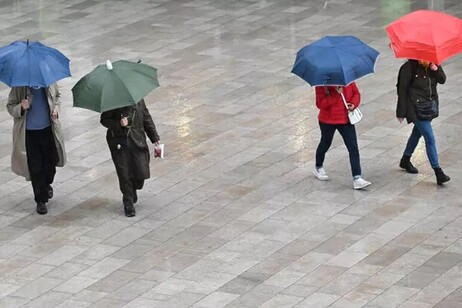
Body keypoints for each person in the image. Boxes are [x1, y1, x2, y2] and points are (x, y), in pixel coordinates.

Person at [6, 83, 66, 214]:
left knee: (51, 163)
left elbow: (58, 97)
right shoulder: (19, 87)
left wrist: (56, 108)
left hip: (48, 130)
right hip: (29, 134)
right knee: (36, 168)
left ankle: (46, 183)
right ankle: (40, 200)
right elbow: (10, 107)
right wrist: (21, 107)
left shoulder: (49, 83)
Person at [100, 99, 160, 217]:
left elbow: (146, 118)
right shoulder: (113, 101)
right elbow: (104, 120)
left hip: (137, 140)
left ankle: (134, 188)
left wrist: (155, 137)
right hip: (119, 143)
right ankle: (128, 202)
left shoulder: (139, 100)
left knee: (141, 172)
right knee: (124, 172)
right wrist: (119, 124)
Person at [396, 59, 450, 185]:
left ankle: (405, 159)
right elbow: (402, 90)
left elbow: (442, 80)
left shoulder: (433, 63)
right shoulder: (409, 67)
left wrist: (436, 69)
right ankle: (438, 172)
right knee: (429, 137)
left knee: (417, 133)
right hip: (414, 108)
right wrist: (401, 112)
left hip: (429, 107)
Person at [313, 82, 371, 190]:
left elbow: (356, 93)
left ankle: (357, 177)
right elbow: (320, 104)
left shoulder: (347, 81)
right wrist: (335, 94)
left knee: (353, 147)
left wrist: (353, 104)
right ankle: (318, 166)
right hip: (328, 120)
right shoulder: (322, 84)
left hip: (345, 120)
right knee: (325, 143)